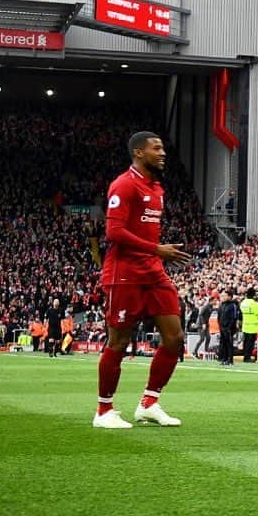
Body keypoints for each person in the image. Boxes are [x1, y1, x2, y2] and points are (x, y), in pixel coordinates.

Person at [94, 131, 192, 430]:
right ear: (139, 152)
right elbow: (114, 233)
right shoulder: (123, 185)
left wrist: (156, 254)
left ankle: (149, 403)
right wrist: (157, 249)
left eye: (163, 148)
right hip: (124, 274)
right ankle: (104, 410)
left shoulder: (157, 188)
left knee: (174, 338)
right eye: (156, 148)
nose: (163, 153)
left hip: (153, 272)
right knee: (119, 341)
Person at [239, 288, 258, 363]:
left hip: (245, 325)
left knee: (246, 342)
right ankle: (248, 357)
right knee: (250, 343)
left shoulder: (243, 303)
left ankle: (245, 356)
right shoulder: (254, 304)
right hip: (253, 326)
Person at [217, 289, 238, 366]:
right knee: (223, 344)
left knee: (229, 344)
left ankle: (230, 359)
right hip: (222, 327)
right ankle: (224, 358)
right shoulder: (222, 305)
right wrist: (220, 325)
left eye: (225, 296)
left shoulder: (233, 305)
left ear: (230, 297)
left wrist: (229, 327)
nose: (223, 297)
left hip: (229, 328)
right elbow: (219, 316)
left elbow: (234, 317)